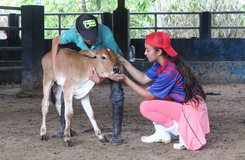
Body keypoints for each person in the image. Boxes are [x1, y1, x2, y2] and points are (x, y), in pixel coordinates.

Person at [93, 31, 210, 150]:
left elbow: (147, 95)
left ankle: (180, 129)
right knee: (151, 97)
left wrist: (125, 79)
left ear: (158, 52)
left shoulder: (169, 71)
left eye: (148, 50)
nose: (145, 53)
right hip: (187, 104)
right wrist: (125, 62)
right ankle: (162, 133)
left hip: (190, 110)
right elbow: (143, 79)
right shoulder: (162, 64)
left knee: (146, 105)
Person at [51, 14, 124, 145]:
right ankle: (63, 128)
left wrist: (101, 78)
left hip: (111, 63)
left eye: (93, 35)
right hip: (91, 62)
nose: (91, 39)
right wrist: (54, 67)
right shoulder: (72, 34)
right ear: (78, 33)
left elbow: (115, 58)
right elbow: (55, 41)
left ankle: (117, 134)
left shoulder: (106, 34)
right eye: (87, 36)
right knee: (66, 88)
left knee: (117, 91)